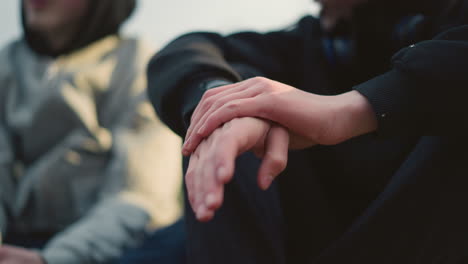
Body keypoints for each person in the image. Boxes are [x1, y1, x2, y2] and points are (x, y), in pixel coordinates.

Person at [147, 0, 468, 263]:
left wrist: (349, 110)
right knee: (233, 95)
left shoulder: (446, 15)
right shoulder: (298, 46)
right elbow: (186, 50)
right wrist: (223, 103)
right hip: (309, 240)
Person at [0, 0, 184, 264]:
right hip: (19, 240)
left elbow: (140, 196)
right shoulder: (7, 64)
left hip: (114, 246)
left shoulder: (137, 63)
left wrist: (51, 259)